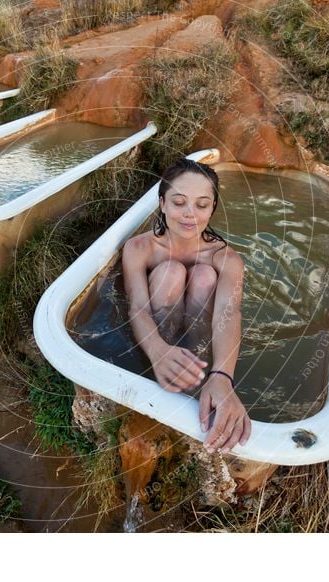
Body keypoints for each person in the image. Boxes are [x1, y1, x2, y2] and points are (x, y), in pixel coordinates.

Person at [122, 157, 251, 453]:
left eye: (202, 205)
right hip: (157, 331)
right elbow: (137, 307)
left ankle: (196, 369)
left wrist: (222, 376)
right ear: (162, 203)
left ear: (212, 208)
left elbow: (228, 313)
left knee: (205, 276)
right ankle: (166, 364)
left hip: (199, 328)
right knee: (171, 271)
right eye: (179, 202)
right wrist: (156, 348)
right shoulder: (140, 249)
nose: (189, 214)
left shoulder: (227, 259)